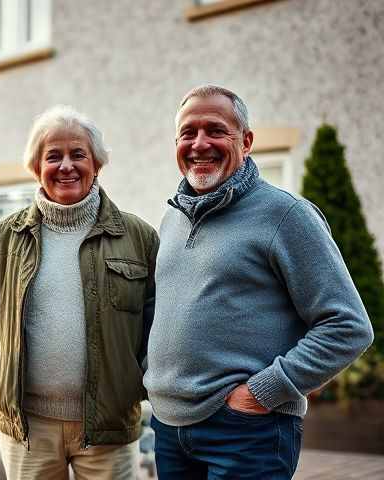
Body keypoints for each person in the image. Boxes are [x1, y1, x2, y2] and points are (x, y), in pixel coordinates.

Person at [144, 84, 375, 479]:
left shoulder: (286, 215)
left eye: (215, 130)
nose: (200, 143)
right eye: (188, 132)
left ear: (246, 141)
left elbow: (348, 326)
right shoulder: (173, 218)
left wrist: (261, 393)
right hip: (169, 429)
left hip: (246, 432)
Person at [0, 105, 158, 479]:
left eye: (78, 154)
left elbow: (158, 323)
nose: (66, 165)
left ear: (97, 164)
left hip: (109, 429)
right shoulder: (5, 237)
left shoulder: (138, 237)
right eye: (53, 156)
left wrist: (139, 382)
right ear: (36, 168)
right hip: (28, 430)